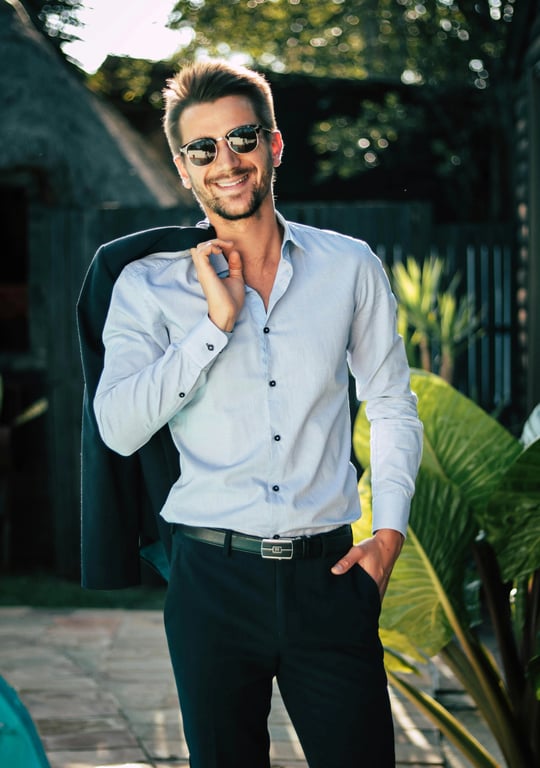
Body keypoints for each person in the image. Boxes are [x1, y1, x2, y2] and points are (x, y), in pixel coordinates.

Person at [93, 60, 423, 768]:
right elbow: (118, 427)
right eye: (202, 149)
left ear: (273, 146)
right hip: (211, 581)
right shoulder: (145, 287)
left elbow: (392, 402)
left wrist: (388, 534)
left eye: (242, 138)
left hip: (329, 580)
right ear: (184, 170)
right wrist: (213, 326)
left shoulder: (350, 267)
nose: (226, 162)